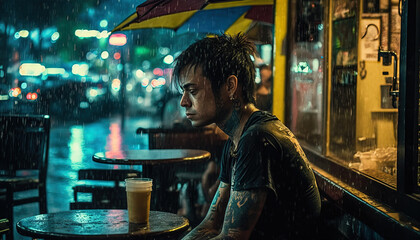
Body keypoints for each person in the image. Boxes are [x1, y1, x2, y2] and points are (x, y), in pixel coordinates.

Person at [172, 33, 321, 239]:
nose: (183, 102)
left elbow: (230, 237)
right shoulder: (236, 140)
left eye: (193, 91)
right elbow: (210, 224)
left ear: (230, 86)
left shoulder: (257, 139)